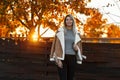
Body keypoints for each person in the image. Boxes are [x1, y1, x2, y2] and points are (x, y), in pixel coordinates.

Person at [50, 14, 86, 80]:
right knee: (63, 78)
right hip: (62, 58)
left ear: (73, 21)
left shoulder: (77, 33)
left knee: (70, 78)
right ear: (65, 21)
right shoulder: (60, 32)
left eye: (70, 19)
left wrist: (76, 49)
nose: (69, 21)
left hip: (72, 58)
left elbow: (79, 47)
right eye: (67, 19)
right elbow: (55, 46)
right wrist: (57, 60)